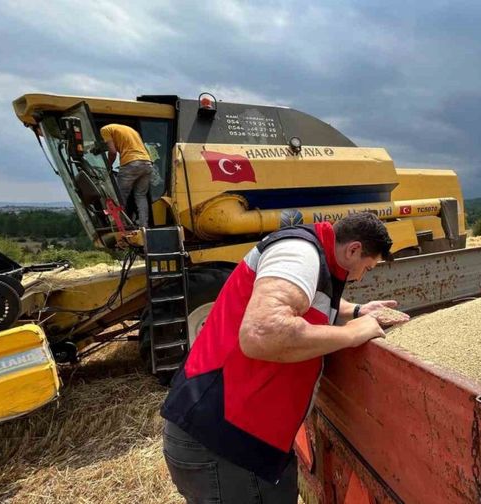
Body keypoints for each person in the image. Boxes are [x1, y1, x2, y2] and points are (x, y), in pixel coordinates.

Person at [160, 212, 409, 503]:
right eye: (366, 267)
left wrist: (355, 311)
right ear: (353, 249)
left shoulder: (312, 256)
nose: (361, 275)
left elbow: (307, 294)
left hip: (236, 440)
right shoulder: (299, 254)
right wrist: (353, 333)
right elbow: (263, 333)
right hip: (224, 445)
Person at [99, 123, 154, 227]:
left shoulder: (105, 130)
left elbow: (112, 151)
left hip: (131, 163)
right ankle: (144, 226)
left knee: (120, 195)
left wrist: (108, 166)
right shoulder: (131, 130)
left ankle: (120, 224)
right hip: (147, 163)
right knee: (141, 195)